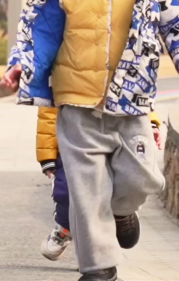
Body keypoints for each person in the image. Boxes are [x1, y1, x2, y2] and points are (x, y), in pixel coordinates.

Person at [3, 0, 179, 281]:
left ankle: (124, 211)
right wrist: (23, 63)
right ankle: (99, 270)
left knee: (142, 178)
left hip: (132, 103)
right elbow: (39, 29)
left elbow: (176, 20)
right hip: (77, 105)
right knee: (87, 192)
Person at [36, 107, 162, 261]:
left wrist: (150, 123)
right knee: (67, 191)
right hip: (74, 140)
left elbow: (140, 96)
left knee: (129, 177)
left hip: (117, 134)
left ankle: (122, 210)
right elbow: (48, 113)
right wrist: (47, 155)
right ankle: (65, 228)